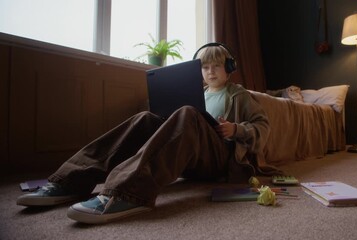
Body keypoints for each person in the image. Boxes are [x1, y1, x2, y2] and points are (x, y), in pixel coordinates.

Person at [16, 42, 280, 224]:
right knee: (146, 118)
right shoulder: (196, 94)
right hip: (189, 156)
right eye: (205, 67)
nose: (210, 71)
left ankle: (127, 193)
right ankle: (71, 180)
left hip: (221, 158)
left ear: (229, 68)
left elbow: (263, 128)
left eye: (217, 66)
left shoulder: (240, 95)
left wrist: (236, 129)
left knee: (188, 112)